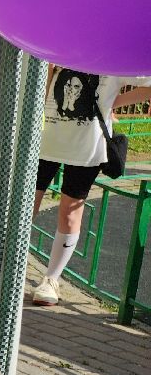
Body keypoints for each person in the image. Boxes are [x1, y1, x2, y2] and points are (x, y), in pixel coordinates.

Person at [31, 68, 151, 306]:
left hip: (87, 147)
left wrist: (113, 102)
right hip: (43, 140)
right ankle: (8, 265)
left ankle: (51, 279)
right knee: (26, 205)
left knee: (70, 211)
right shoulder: (58, 47)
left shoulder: (111, 58)